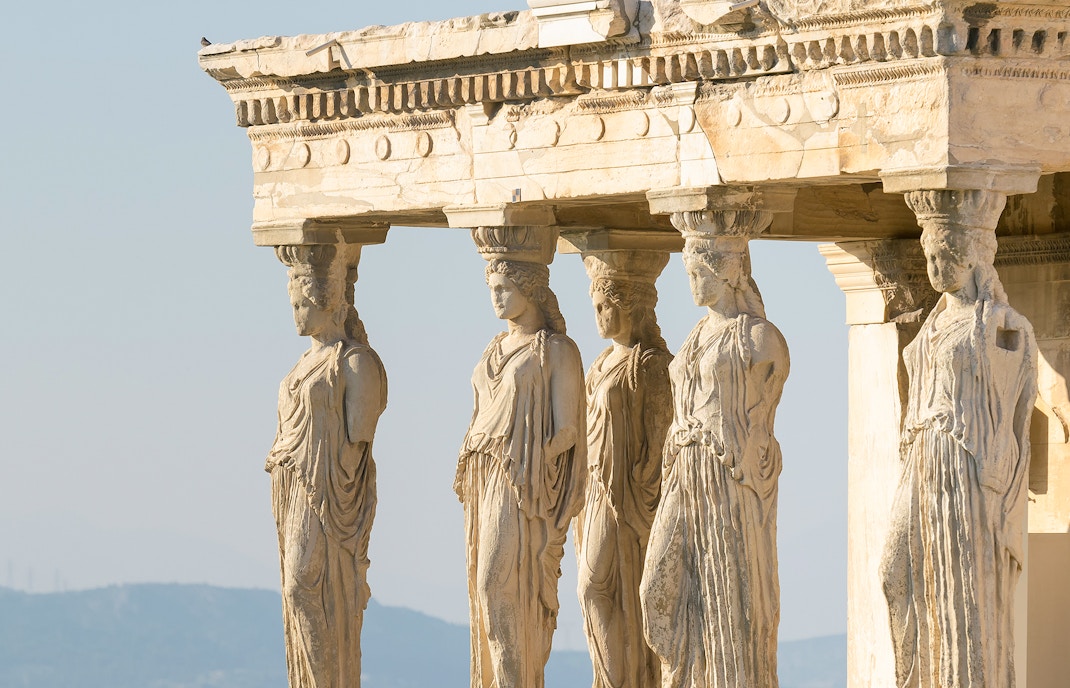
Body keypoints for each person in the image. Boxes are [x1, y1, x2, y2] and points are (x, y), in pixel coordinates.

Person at [881, 224, 1036, 688]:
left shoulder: (999, 324)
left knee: (966, 585)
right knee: (894, 571)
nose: (934, 267)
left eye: (943, 256)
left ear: (972, 257)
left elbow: (1015, 403)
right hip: (921, 458)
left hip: (966, 462)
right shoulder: (931, 326)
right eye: (929, 256)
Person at [641, 230, 789, 688]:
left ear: (727, 273)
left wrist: (748, 458)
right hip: (684, 470)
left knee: (726, 591)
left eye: (698, 273)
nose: (691, 283)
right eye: (689, 273)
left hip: (725, 477)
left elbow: (764, 422)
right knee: (655, 589)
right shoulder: (695, 335)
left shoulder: (759, 339)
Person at [455, 255, 586, 688]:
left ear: (529, 289)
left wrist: (536, 458)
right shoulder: (492, 348)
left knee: (496, 583)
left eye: (504, 288)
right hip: (483, 471)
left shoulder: (556, 349)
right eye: (491, 289)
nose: (495, 297)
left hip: (521, 478)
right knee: (484, 589)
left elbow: (568, 428)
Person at [266, 245, 387, 688]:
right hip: (293, 486)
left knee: (304, 585)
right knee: (295, 590)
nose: (295, 315)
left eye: (301, 305)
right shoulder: (303, 363)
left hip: (328, 491)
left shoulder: (355, 362)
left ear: (326, 301)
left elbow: (359, 437)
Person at [576, 252, 672, 688]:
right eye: (595, 306)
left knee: (595, 587)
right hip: (596, 489)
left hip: (628, 498)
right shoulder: (600, 363)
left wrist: (645, 497)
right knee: (595, 590)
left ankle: (624, 679)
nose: (598, 315)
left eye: (605, 306)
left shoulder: (652, 365)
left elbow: (660, 440)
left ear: (629, 305)